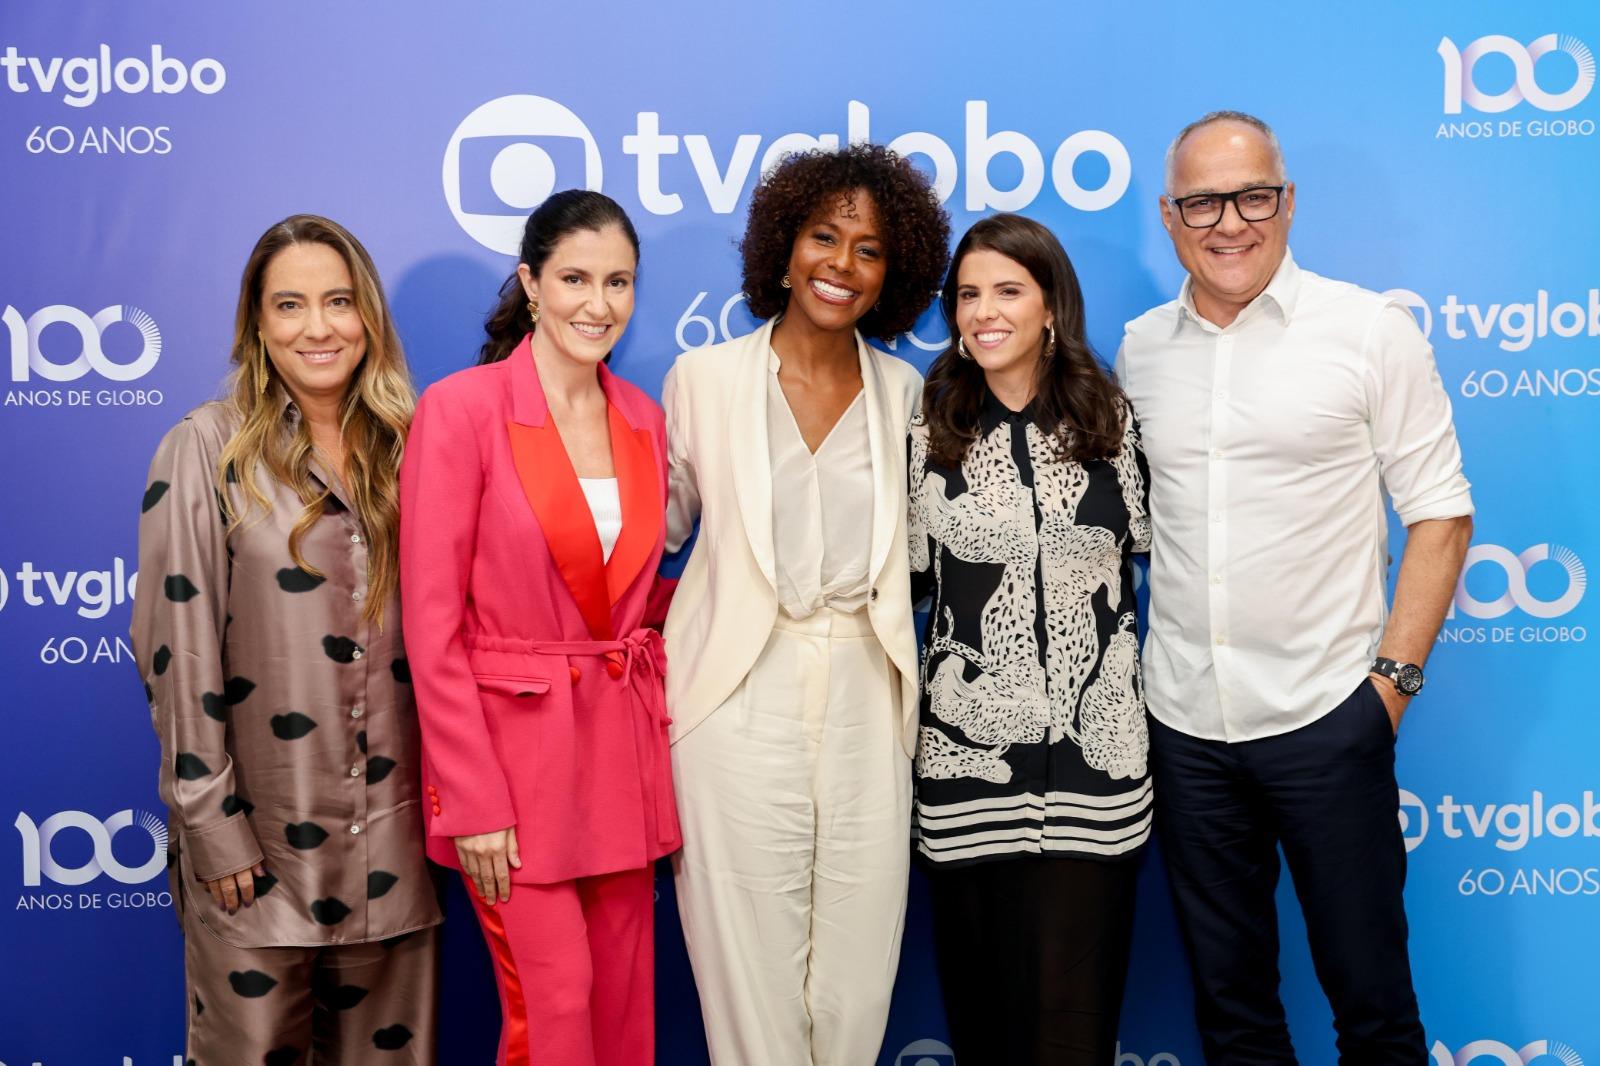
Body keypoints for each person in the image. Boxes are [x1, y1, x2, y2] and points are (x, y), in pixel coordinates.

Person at [1117, 110, 1474, 1064]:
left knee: (1375, 1013)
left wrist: (1388, 691)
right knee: (1233, 1019)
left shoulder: (1368, 331)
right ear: (1169, 216)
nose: (1230, 222)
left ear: (1287, 202)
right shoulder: (1141, 349)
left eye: (1253, 196)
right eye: (1203, 202)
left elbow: (1441, 514)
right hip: (1186, 728)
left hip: (1329, 719)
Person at [662, 143, 950, 1065]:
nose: (842, 265)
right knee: (748, 970)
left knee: (857, 978)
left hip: (869, 687)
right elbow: (651, 535)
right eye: (824, 237)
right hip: (736, 693)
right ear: (783, 247)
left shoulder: (905, 393)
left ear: (893, 274)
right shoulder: (703, 381)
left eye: (870, 250)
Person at [131, 214, 440, 1063]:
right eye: (290, 305)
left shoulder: (417, 446)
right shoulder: (205, 448)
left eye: (338, 301)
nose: (318, 328)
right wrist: (211, 824)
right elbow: (175, 646)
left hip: (396, 851)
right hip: (257, 857)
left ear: (368, 315)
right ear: (258, 324)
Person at [399, 189, 678, 1066]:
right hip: (514, 777)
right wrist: (471, 799)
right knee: (554, 1010)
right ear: (530, 283)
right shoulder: (462, 409)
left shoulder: (643, 418)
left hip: (621, 763)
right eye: (575, 279)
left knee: (626, 1014)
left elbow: (627, 596)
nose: (598, 303)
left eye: (618, 282)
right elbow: (431, 624)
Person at [909, 213, 1152, 1065]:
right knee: (987, 1030)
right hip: (966, 773)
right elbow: (910, 578)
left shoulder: (1110, 417)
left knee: (1074, 1033)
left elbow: (1149, 556)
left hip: (1097, 775)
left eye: (1008, 291)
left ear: (1051, 305)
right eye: (968, 294)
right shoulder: (928, 422)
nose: (984, 312)